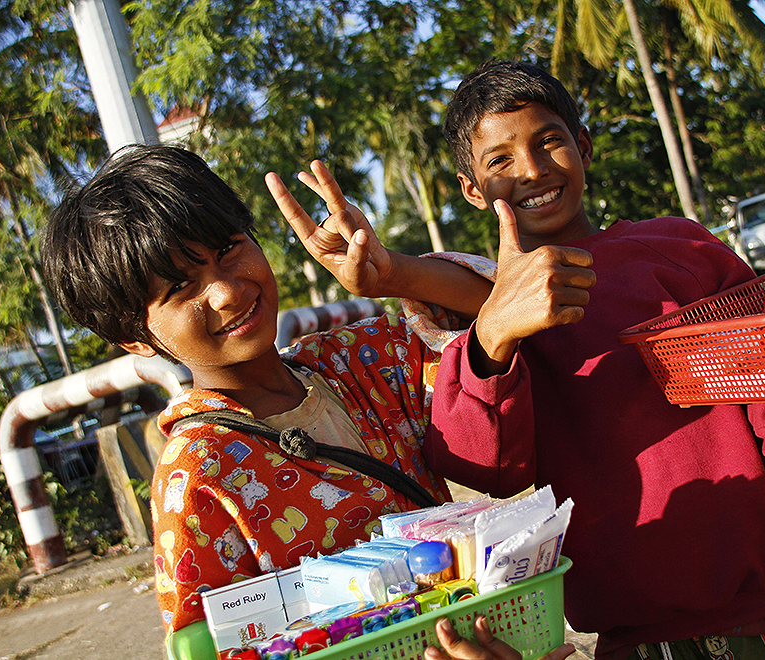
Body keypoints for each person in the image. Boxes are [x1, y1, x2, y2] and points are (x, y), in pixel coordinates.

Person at [278, 60, 765, 660]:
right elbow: (488, 466)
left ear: (584, 146)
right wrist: (486, 327)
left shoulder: (682, 249)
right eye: (500, 159)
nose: (532, 170)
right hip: (642, 640)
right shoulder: (475, 316)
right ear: (472, 190)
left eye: (548, 141)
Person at [39, 144, 500, 656]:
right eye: (179, 286)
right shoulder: (195, 476)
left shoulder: (356, 363)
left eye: (228, 250)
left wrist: (392, 274)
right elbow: (211, 646)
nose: (227, 291)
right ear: (134, 337)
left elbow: (499, 314)